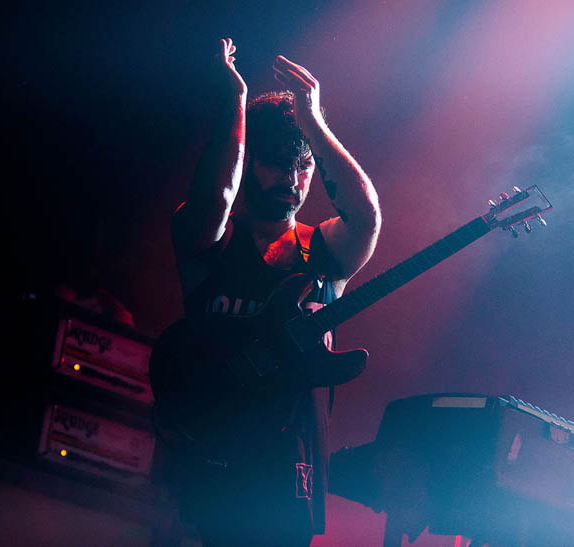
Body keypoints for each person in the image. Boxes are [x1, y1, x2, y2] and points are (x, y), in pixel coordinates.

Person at [168, 38, 381, 546]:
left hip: (290, 484)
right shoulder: (208, 237)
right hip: (206, 471)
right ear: (248, 163)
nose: (293, 177)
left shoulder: (324, 250)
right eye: (278, 162)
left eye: (302, 166)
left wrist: (311, 122)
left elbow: (366, 216)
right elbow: (214, 199)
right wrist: (236, 102)